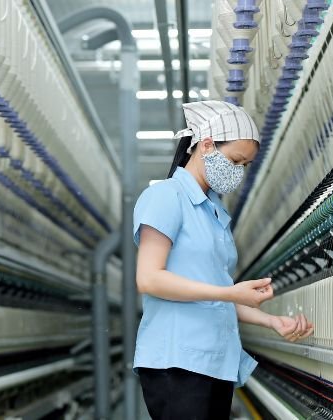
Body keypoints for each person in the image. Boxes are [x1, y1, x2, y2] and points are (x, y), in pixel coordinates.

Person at [132, 100, 314, 419]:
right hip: (177, 364)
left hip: (216, 362)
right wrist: (230, 293)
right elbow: (149, 279)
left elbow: (216, 294)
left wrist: (271, 321)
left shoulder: (213, 212)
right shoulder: (166, 198)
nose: (238, 172)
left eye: (245, 165)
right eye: (235, 160)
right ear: (206, 146)